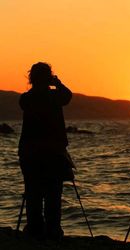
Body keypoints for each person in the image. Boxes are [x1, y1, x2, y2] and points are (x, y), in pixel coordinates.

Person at [18, 62, 72, 241]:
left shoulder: (26, 98)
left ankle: (35, 228)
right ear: (48, 77)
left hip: (30, 153)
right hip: (53, 153)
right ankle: (52, 230)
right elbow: (67, 96)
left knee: (33, 192)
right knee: (53, 194)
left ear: (31, 78)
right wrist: (57, 82)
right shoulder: (55, 96)